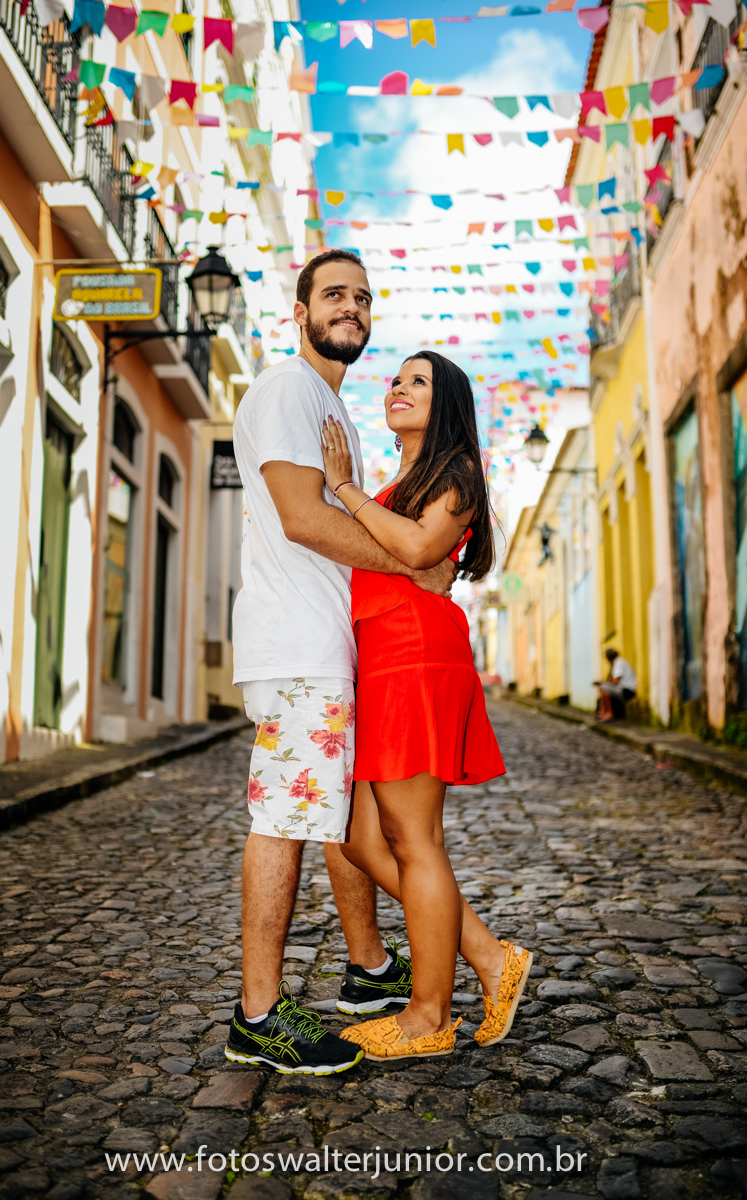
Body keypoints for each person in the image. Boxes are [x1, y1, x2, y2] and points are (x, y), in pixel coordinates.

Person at [225, 249, 457, 1075]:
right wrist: (415, 564)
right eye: (333, 294)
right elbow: (300, 517)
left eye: (361, 296)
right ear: (299, 311)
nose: (350, 306)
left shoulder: (329, 408)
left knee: (320, 817)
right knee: (282, 821)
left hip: (324, 645)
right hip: (295, 644)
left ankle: (365, 973)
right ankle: (257, 1013)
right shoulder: (289, 388)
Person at [320, 352, 532, 1061]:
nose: (397, 388)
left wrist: (343, 488)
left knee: (414, 841)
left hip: (415, 656)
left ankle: (428, 1016)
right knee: (359, 839)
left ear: (445, 404)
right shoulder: (400, 483)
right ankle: (489, 957)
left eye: (418, 381)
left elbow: (415, 548)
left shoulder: (456, 474)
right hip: (379, 661)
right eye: (396, 378)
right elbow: (400, 557)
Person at [594, 648, 637, 722]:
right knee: (603, 686)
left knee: (603, 687)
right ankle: (602, 712)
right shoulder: (618, 662)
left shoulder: (618, 663)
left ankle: (609, 714)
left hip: (627, 690)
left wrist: (602, 682)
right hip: (623, 689)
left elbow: (615, 681)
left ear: (608, 657)